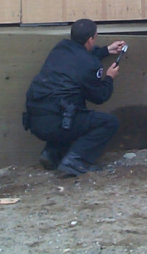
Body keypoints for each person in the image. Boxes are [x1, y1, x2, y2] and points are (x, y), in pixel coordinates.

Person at [23, 19, 126, 176]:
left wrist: (106, 50)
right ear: (91, 39)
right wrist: (110, 78)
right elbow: (100, 96)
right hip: (57, 123)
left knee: (72, 107)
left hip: (35, 120)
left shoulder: (60, 48)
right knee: (108, 122)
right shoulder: (90, 64)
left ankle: (51, 154)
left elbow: (79, 56)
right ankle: (75, 161)